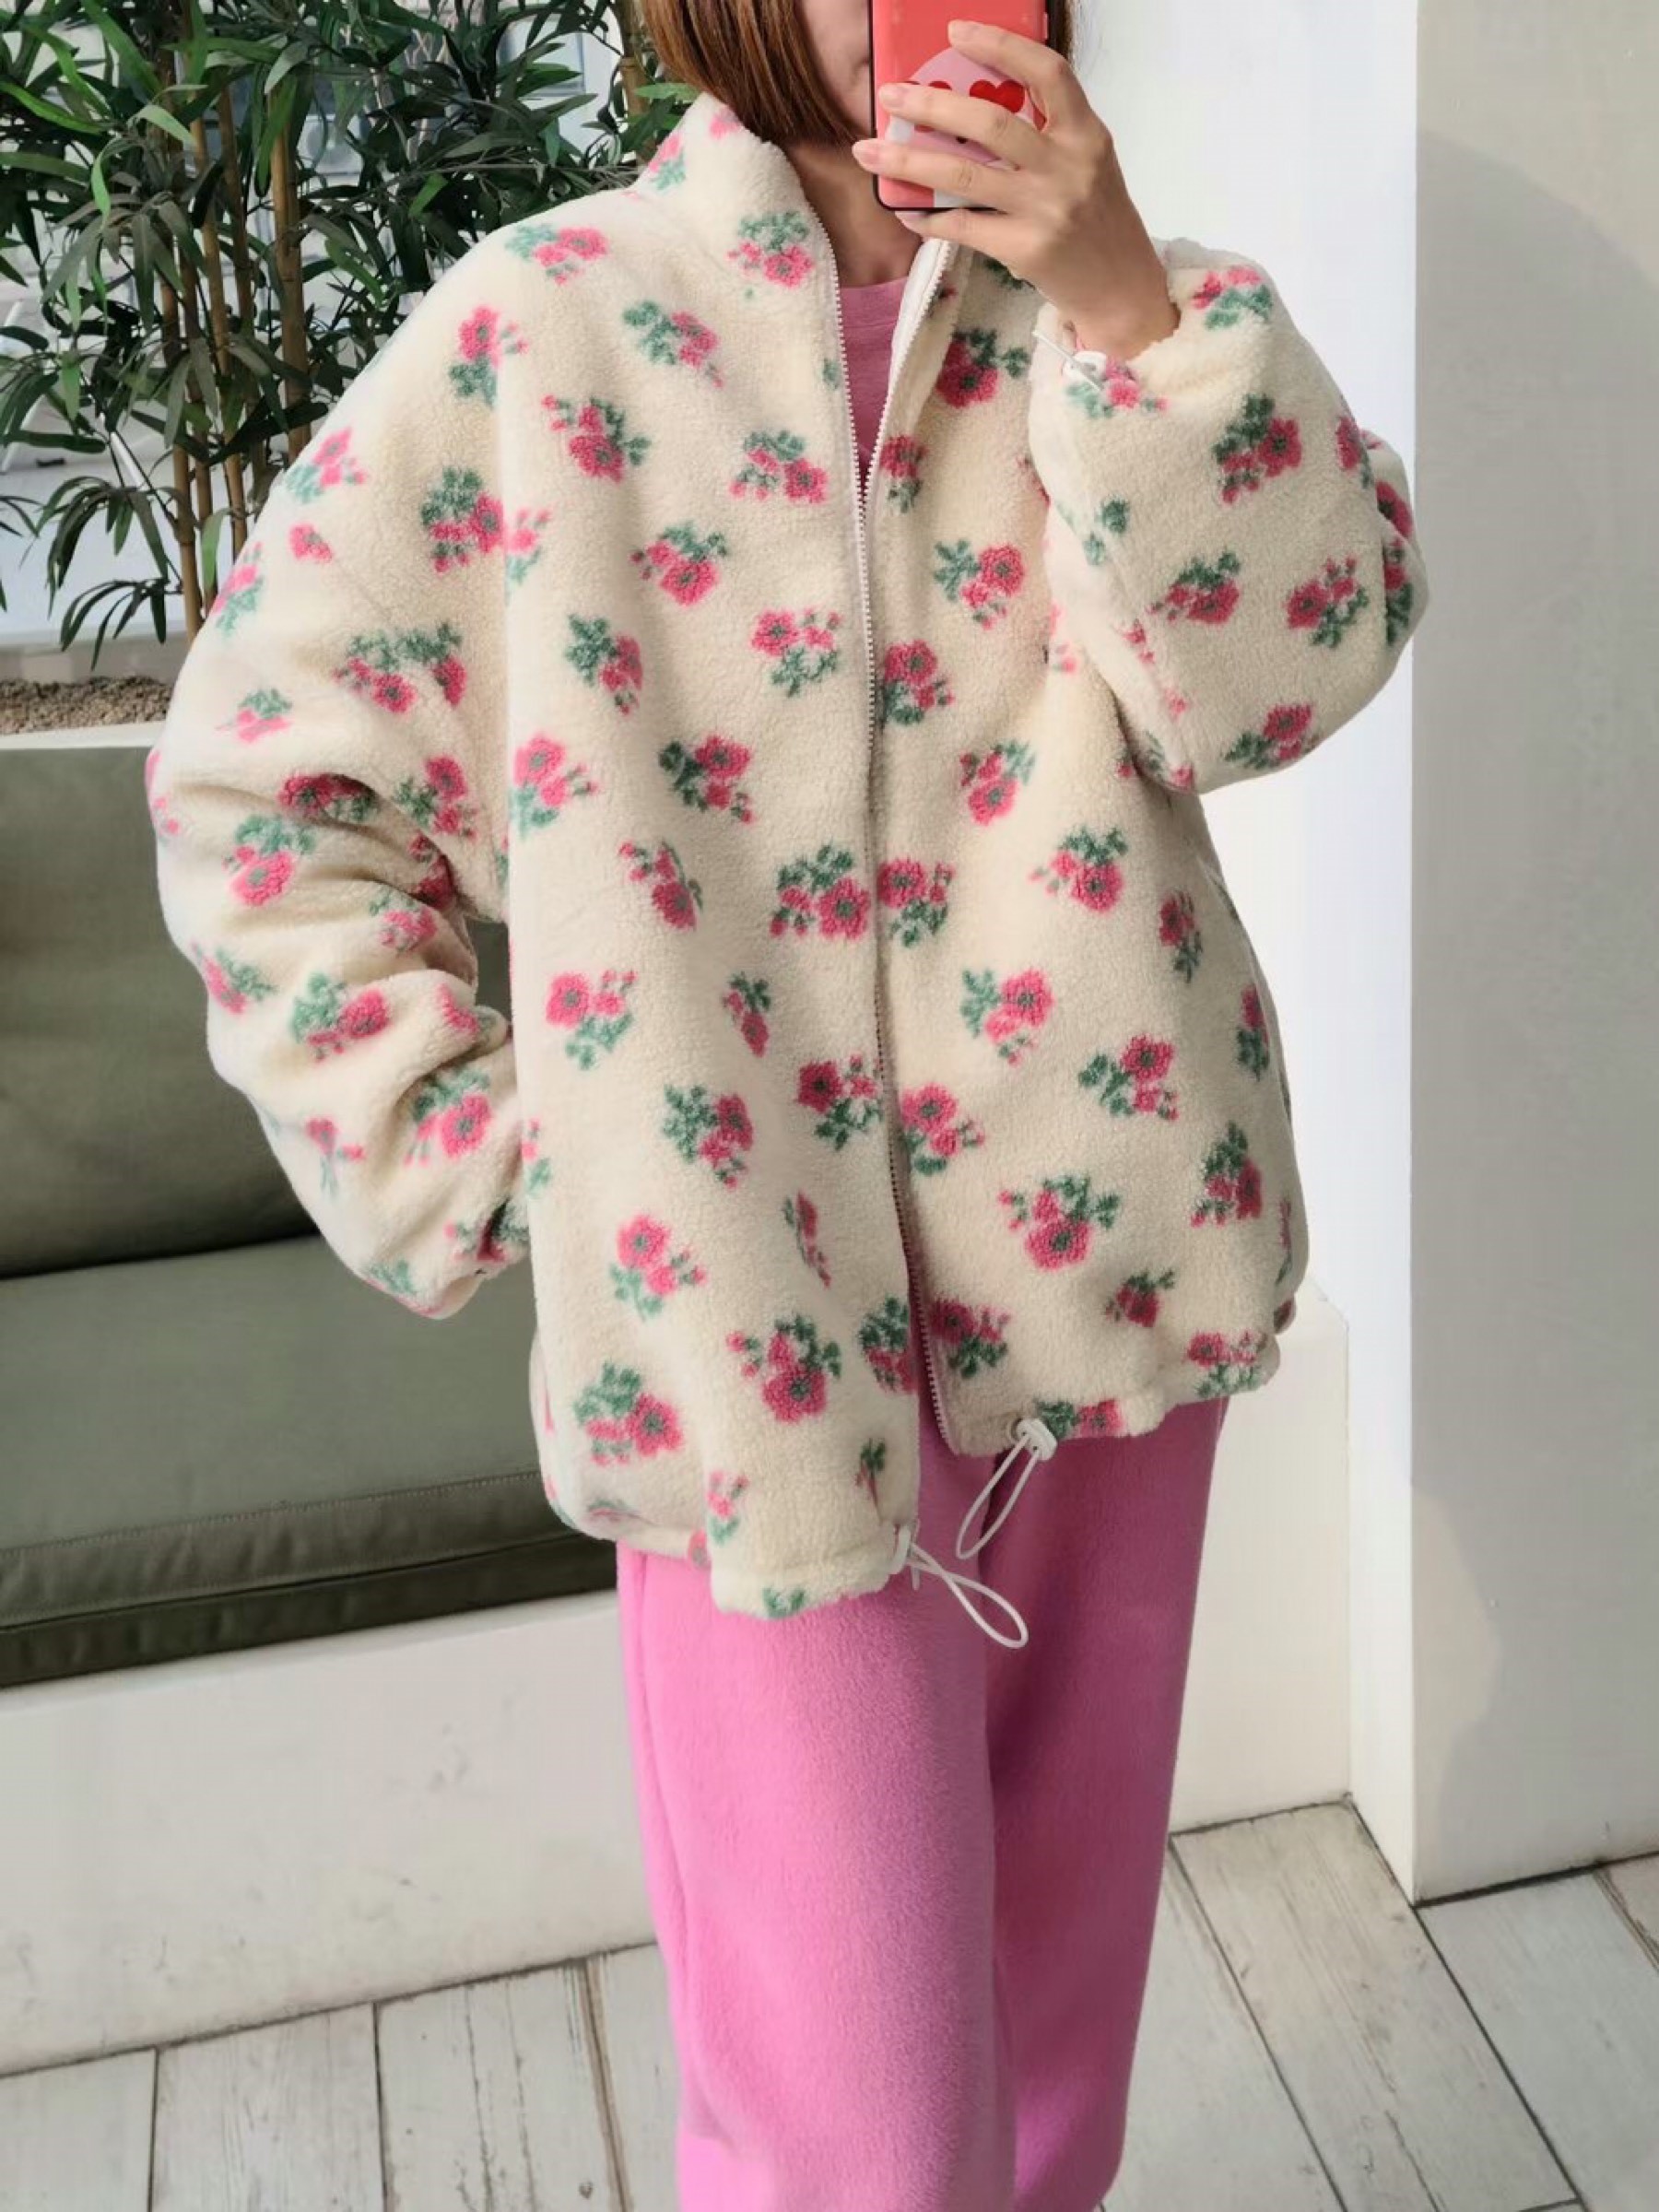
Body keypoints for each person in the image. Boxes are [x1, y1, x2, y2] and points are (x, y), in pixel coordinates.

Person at [147, 3, 1429, 2204]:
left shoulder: (1128, 308)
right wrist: (497, 1161)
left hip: (1112, 1276)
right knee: (861, 2119)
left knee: (1053, 2047)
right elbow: (262, 783)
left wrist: (1131, 310)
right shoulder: (544, 329)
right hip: (749, 1336)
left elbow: (1287, 676)